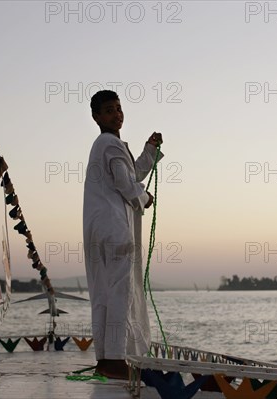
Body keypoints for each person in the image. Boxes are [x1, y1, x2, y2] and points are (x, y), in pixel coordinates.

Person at [83, 90, 163, 379]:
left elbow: (132, 173)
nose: (116, 114)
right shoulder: (110, 144)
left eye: (118, 108)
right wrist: (145, 198)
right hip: (114, 229)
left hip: (98, 229)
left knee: (104, 293)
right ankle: (117, 360)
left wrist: (150, 149)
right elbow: (127, 184)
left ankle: (106, 359)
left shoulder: (107, 145)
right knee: (120, 291)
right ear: (96, 117)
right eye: (109, 110)